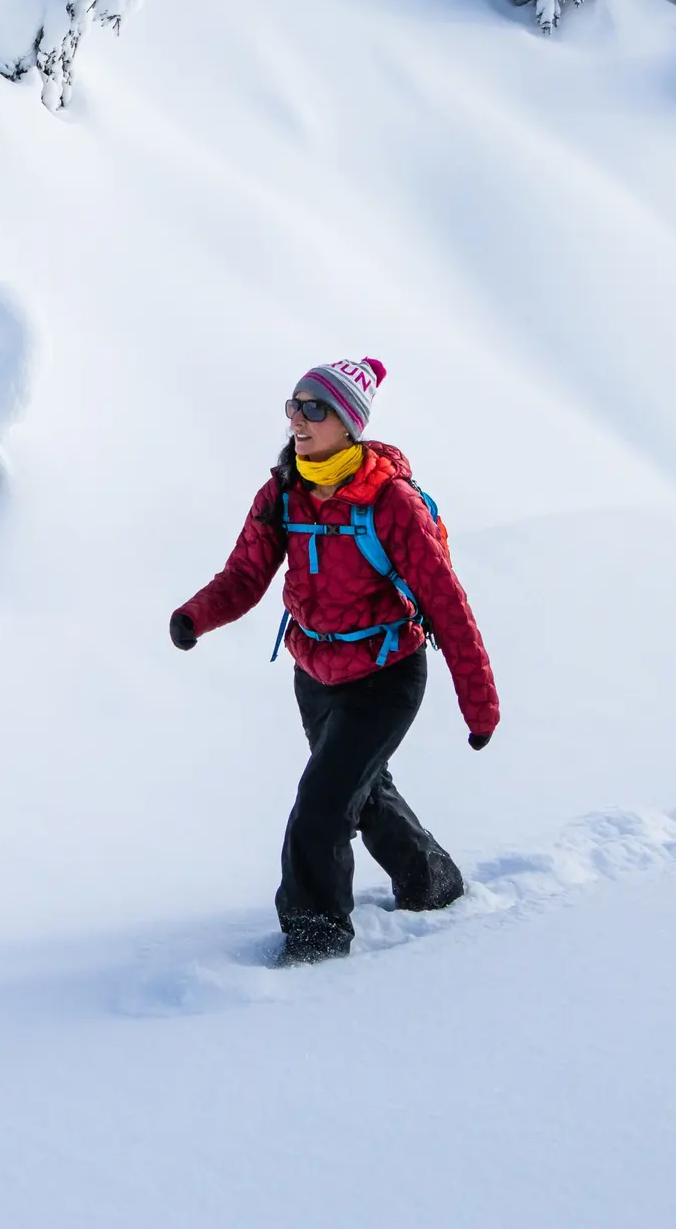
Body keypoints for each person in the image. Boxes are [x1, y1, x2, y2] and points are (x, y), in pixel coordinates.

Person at [169, 357, 499, 966]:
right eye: (293, 404)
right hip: (315, 674)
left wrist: (479, 706)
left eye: (313, 408)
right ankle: (433, 882)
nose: (297, 417)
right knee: (362, 791)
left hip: (386, 675)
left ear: (349, 423)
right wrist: (195, 616)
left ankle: (316, 937)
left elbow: (447, 604)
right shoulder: (284, 490)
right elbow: (245, 575)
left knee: (322, 805)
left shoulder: (391, 502)